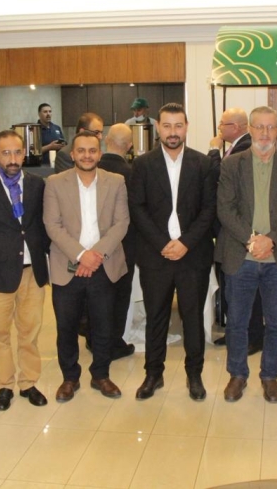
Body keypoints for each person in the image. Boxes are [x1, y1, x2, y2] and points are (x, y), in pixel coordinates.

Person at [129, 103, 218, 401]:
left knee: (193, 318)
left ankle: (195, 374)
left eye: (178, 125)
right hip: (155, 255)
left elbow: (209, 209)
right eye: (167, 126)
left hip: (193, 255)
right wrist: (162, 243)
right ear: (158, 127)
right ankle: (153, 374)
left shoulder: (203, 164)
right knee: (156, 317)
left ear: (186, 127)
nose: (172, 132)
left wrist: (185, 243)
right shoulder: (142, 165)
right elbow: (137, 208)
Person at [217, 106, 277, 403]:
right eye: (259, 127)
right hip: (241, 256)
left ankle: (270, 376)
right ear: (250, 129)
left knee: (276, 323)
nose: (265, 133)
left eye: (271, 127)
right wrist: (251, 240)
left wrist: (272, 241)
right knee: (237, 322)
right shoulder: (232, 165)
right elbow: (225, 208)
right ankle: (237, 375)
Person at [0, 130, 50, 411]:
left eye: (17, 152)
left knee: (30, 333)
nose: (12, 159)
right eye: (6, 153)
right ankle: (5, 385)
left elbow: (42, 226)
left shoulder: (37, 184)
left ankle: (28, 383)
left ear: (23, 154)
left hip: (31, 273)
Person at [43, 131, 129, 402]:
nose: (87, 155)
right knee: (66, 327)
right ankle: (70, 378)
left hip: (105, 265)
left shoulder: (116, 181)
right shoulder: (54, 183)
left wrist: (95, 256)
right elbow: (52, 225)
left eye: (92, 150)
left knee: (104, 325)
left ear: (100, 154)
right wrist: (81, 255)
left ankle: (101, 375)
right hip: (66, 265)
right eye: (81, 150)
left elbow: (121, 223)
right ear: (72, 154)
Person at [208, 108, 263, 354]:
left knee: (246, 289)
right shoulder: (235, 147)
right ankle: (234, 334)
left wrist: (213, 150)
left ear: (237, 127)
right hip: (228, 231)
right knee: (231, 287)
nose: (219, 129)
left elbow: (217, 175)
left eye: (223, 124)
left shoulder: (245, 147)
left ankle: (252, 338)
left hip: (241, 231)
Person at [97, 123, 137, 359]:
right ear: (129, 146)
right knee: (120, 295)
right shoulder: (132, 173)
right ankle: (114, 343)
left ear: (106, 140)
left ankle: (94, 339)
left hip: (93, 245)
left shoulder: (91, 169)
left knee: (95, 294)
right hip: (125, 244)